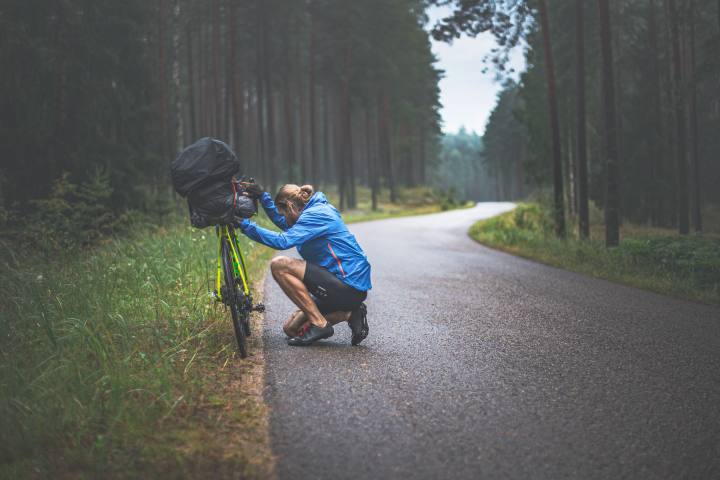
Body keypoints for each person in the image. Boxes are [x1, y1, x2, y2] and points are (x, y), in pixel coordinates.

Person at [236, 183, 371, 347]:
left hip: (347, 285)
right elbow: (286, 223)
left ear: (291, 206)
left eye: (284, 212)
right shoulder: (309, 213)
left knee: (279, 265)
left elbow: (282, 241)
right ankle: (351, 313)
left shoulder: (317, 215)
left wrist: (244, 224)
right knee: (291, 329)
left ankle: (320, 324)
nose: (284, 218)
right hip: (336, 285)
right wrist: (263, 197)